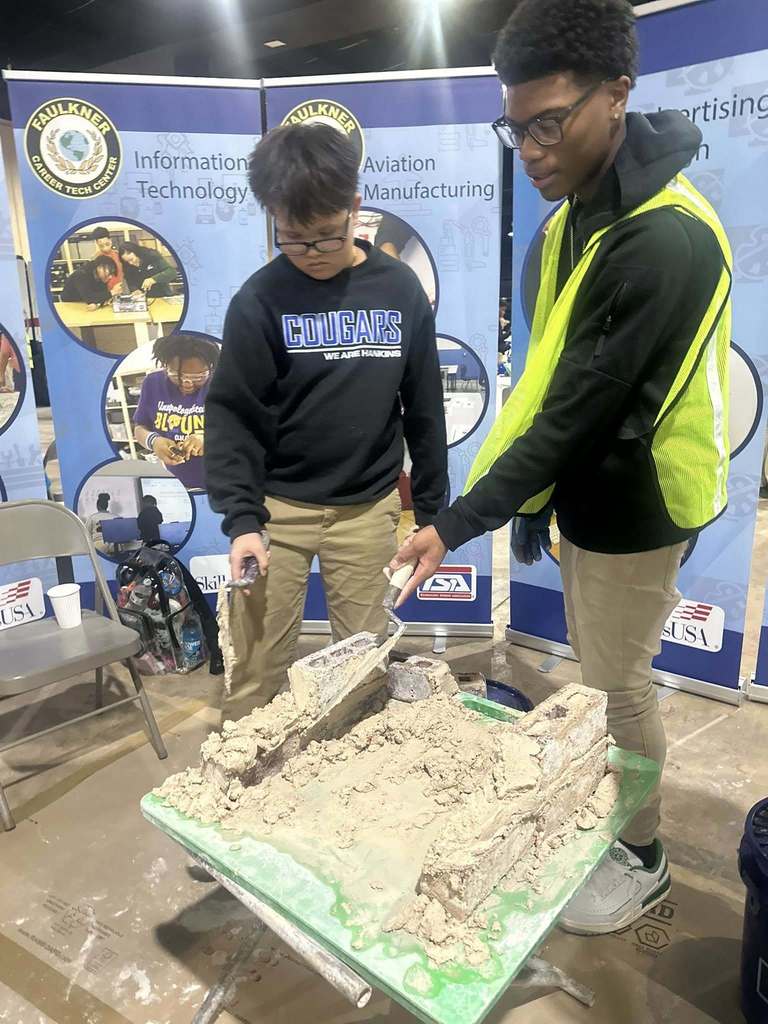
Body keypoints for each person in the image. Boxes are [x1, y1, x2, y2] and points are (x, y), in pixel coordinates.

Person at [390, 0, 731, 935]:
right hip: (584, 484)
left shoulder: (663, 239)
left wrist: (456, 523)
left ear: (616, 96)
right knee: (598, 671)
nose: (530, 149)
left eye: (549, 122)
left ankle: (644, 855)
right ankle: (614, 814)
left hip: (639, 502)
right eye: (516, 126)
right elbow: (542, 390)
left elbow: (576, 415)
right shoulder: (569, 219)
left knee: (620, 683)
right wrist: (531, 504)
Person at [205, 122, 447, 717]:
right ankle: (247, 793)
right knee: (255, 669)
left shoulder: (399, 291)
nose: (311, 255)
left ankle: (350, 786)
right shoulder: (259, 300)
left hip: (366, 510)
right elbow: (233, 415)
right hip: (276, 511)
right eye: (293, 240)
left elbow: (424, 407)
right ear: (273, 220)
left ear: (354, 208)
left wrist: (434, 514)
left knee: (363, 667)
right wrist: (241, 520)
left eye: (325, 238)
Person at [134, 333, 218, 491]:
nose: (187, 384)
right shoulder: (152, 383)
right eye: (175, 375)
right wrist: (154, 441)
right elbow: (140, 427)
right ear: (165, 365)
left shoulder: (225, 383)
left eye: (198, 377)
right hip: (178, 485)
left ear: (211, 368)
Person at [91, 226, 124, 295]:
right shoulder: (96, 258)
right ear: (97, 244)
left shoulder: (119, 255)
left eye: (107, 244)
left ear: (110, 240)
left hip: (121, 289)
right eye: (101, 246)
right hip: (105, 293)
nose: (105, 248)